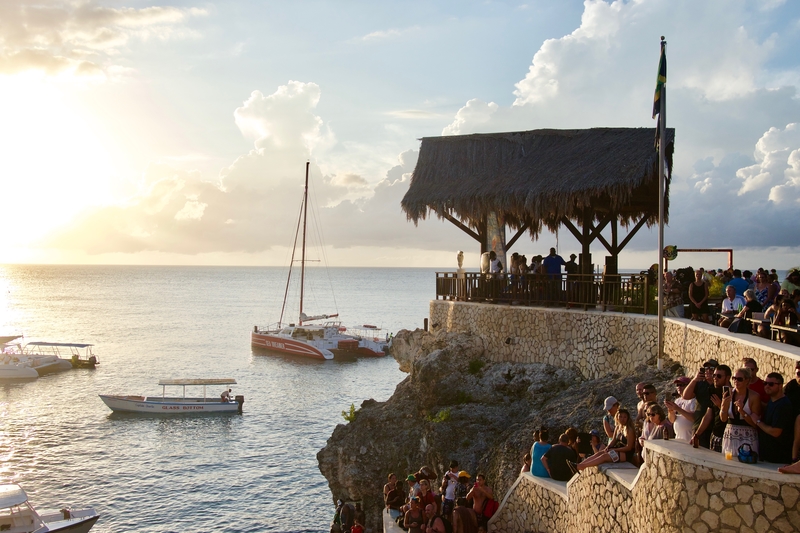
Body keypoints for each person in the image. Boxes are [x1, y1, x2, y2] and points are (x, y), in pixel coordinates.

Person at [720, 367, 762, 458]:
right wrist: (723, 405)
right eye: (734, 378)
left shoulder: (754, 397)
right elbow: (723, 419)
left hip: (747, 438)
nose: (736, 381)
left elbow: (755, 424)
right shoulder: (729, 393)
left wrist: (742, 412)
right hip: (730, 436)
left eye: (739, 379)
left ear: (747, 381)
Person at [755, 372, 795, 464]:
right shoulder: (772, 400)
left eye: (771, 384)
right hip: (767, 456)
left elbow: (776, 432)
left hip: (777, 459)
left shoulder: (783, 405)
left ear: (780, 386)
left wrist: (757, 421)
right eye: (765, 383)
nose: (767, 386)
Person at [664, 377, 696, 442]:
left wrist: (678, 409)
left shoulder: (693, 401)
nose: (679, 387)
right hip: (678, 438)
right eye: (677, 385)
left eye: (682, 385)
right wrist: (671, 410)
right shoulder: (677, 401)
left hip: (689, 438)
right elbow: (672, 420)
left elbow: (693, 418)